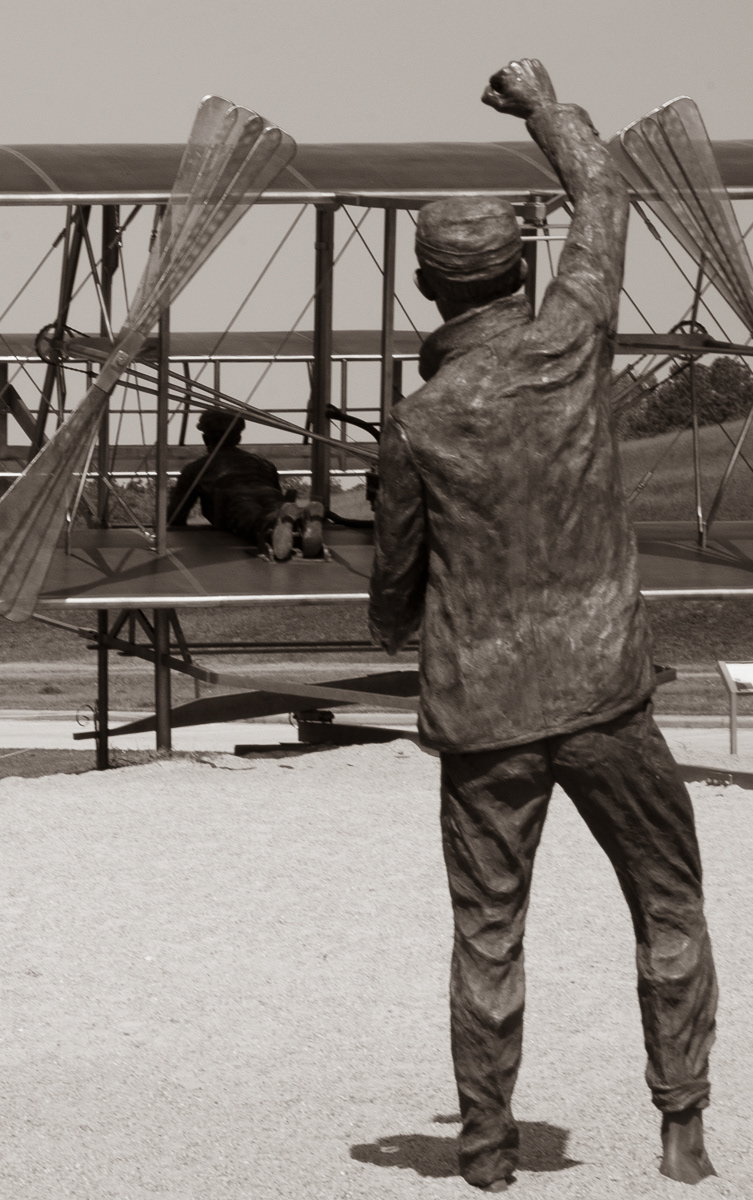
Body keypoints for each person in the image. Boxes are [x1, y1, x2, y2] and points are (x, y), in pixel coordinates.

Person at [368, 60, 718, 1189]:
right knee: (665, 903)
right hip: (606, 689)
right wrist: (541, 109)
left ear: (426, 287)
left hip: (483, 713)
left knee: (485, 930)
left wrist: (397, 610)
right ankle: (682, 1127)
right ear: (517, 269)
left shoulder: (415, 424)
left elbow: (388, 605)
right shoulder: (570, 342)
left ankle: (482, 1148)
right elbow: (604, 196)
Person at [167, 408, 321, 560]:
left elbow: (176, 518)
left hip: (236, 503)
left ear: (205, 438)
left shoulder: (195, 469)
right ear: (238, 438)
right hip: (271, 494)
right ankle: (302, 519)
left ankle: (273, 526)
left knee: (255, 521)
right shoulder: (265, 464)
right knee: (277, 507)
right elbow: (275, 490)